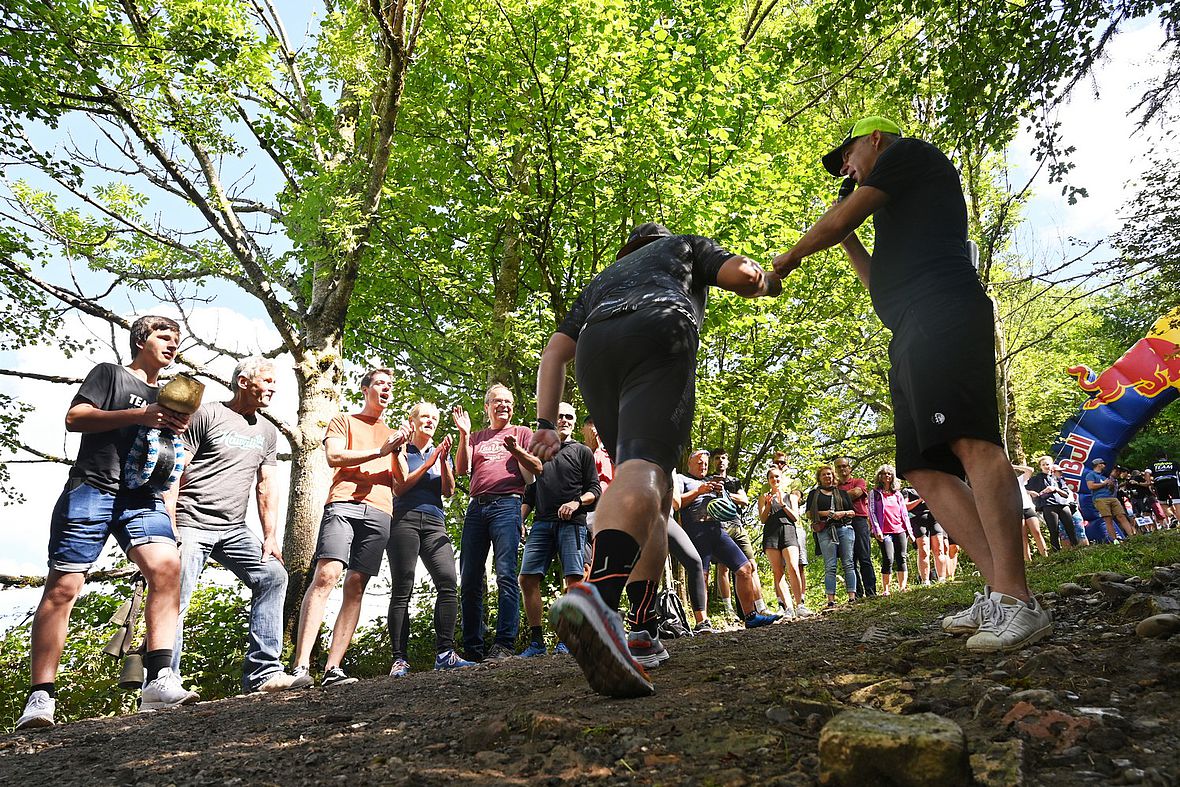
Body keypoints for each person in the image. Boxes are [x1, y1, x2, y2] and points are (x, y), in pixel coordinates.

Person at [774, 115, 1052, 651]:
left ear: (875, 138)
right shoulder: (895, 208)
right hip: (908, 329)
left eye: (848, 156)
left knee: (973, 442)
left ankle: (1019, 599)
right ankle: (998, 591)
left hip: (946, 311)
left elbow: (832, 223)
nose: (847, 171)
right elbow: (880, 285)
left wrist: (786, 261)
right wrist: (851, 238)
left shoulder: (911, 155)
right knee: (922, 469)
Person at [531, 221, 783, 697]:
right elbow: (743, 276)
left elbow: (555, 352)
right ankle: (597, 600)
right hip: (658, 328)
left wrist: (546, 423)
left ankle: (643, 630)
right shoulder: (684, 247)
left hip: (596, 350)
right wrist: (769, 280)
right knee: (645, 470)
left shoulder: (604, 277)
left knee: (652, 487)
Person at [17, 316, 199, 730]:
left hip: (143, 497)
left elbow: (169, 454)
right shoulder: (111, 375)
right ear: (141, 340)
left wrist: (173, 432)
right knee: (64, 586)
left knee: (167, 567)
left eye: (177, 340)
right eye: (163, 337)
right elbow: (75, 417)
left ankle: (158, 679)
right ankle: (41, 696)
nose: (172, 345)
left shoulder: (168, 395)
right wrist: (139, 415)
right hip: (92, 487)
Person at [166, 357, 307, 694]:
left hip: (233, 528)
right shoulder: (208, 414)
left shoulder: (267, 431)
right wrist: (168, 521)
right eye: (268, 380)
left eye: (275, 382)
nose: (274, 387)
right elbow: (175, 466)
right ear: (244, 382)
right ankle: (163, 679)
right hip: (191, 521)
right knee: (175, 598)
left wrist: (271, 535)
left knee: (273, 575)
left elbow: (266, 484)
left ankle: (264, 674)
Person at [292, 368, 411, 687]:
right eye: (380, 384)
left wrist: (398, 449)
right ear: (365, 389)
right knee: (327, 574)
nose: (386, 389)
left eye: (390, 386)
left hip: (381, 511)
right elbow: (333, 456)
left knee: (356, 584)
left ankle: (333, 668)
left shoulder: (391, 432)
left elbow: (400, 482)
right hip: (343, 504)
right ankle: (301, 667)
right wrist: (380, 450)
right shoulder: (344, 420)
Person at [453, 384, 542, 662]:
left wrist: (516, 451)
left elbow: (535, 471)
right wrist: (465, 435)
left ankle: (504, 644)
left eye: (509, 401)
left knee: (505, 574)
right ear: (487, 407)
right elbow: (461, 469)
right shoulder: (477, 436)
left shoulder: (522, 433)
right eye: (498, 401)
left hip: (508, 505)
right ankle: (473, 649)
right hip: (477, 508)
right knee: (469, 579)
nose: (504, 405)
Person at [386, 402, 473, 677]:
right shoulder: (401, 448)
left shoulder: (440, 454)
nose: (430, 421)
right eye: (424, 416)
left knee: (448, 582)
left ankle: (445, 653)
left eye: (434, 418)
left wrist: (443, 461)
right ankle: (399, 659)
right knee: (403, 588)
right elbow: (400, 487)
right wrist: (429, 461)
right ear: (412, 421)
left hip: (435, 522)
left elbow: (448, 491)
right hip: (404, 521)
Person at [517, 402, 601, 658]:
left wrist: (576, 502)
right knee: (527, 578)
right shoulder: (541, 451)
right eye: (559, 416)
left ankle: (568, 639)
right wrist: (520, 520)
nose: (564, 420)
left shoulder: (582, 451)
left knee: (574, 580)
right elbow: (530, 492)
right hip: (542, 522)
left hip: (572, 523)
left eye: (569, 416)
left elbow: (594, 490)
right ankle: (536, 643)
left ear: (574, 422)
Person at [675, 449, 782, 629]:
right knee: (702, 574)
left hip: (718, 530)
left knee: (745, 568)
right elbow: (677, 503)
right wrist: (698, 491)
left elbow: (730, 506)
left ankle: (751, 616)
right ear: (690, 463)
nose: (703, 466)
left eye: (706, 464)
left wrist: (721, 493)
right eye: (699, 463)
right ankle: (702, 622)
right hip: (696, 531)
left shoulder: (712, 481)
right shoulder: (681, 479)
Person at [709, 450, 758, 620]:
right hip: (719, 525)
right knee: (723, 568)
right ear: (712, 462)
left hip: (737, 523)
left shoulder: (734, 481)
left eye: (723, 458)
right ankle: (729, 610)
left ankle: (759, 607)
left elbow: (744, 500)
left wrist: (727, 493)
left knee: (751, 564)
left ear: (728, 462)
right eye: (717, 458)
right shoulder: (709, 480)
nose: (720, 461)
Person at [759, 465, 811, 617]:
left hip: (788, 530)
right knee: (777, 571)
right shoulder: (764, 497)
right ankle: (787, 607)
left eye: (777, 477)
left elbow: (795, 517)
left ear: (781, 479)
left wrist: (783, 504)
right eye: (771, 477)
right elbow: (763, 519)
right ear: (768, 481)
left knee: (793, 568)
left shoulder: (791, 497)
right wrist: (769, 504)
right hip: (771, 533)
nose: (774, 479)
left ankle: (800, 605)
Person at [805, 465, 858, 608]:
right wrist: (826, 513)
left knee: (848, 563)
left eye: (829, 474)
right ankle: (830, 600)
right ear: (819, 478)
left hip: (844, 529)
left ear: (833, 476)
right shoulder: (813, 494)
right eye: (824, 475)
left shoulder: (842, 493)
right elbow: (809, 513)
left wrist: (843, 513)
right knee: (830, 566)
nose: (827, 477)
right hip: (825, 531)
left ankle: (852, 597)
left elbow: (853, 512)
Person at [867, 465, 916, 595]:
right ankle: (886, 589)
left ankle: (902, 587)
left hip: (899, 529)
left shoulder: (898, 494)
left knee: (902, 557)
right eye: (884, 474)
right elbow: (871, 512)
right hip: (884, 531)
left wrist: (909, 532)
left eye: (889, 474)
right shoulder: (874, 493)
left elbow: (904, 514)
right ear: (879, 476)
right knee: (888, 558)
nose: (886, 476)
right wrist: (876, 529)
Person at [835, 458, 877, 598]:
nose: (842, 469)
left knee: (864, 556)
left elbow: (857, 493)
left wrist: (835, 498)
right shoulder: (834, 486)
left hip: (859, 520)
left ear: (850, 468)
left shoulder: (859, 481)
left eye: (844, 466)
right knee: (849, 560)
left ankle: (871, 591)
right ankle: (857, 594)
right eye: (839, 467)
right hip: (842, 523)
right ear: (836, 469)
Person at [1025, 456, 1078, 550]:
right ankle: (1056, 552)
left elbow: (1066, 494)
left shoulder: (1058, 478)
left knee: (1070, 528)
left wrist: (1055, 489)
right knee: (1054, 531)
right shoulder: (1036, 479)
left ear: (1052, 465)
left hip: (1063, 504)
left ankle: (1077, 548)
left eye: (1048, 464)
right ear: (1040, 467)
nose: (1046, 466)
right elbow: (1023, 488)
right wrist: (1031, 493)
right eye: (1043, 465)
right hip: (1048, 506)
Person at [1084, 458, 1137, 542]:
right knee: (1108, 519)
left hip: (1112, 498)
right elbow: (1091, 486)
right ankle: (1114, 540)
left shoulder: (1105, 476)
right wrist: (1104, 483)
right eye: (1103, 464)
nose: (1105, 466)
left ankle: (1132, 537)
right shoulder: (1091, 475)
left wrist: (1111, 486)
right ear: (1099, 464)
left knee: (1121, 516)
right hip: (1100, 499)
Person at [902, 485, 946, 583]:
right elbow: (905, 507)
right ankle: (925, 580)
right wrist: (920, 499)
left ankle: (942, 578)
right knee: (924, 550)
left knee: (939, 548)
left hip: (934, 518)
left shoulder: (930, 486)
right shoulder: (907, 490)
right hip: (918, 520)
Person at [1013, 465, 1049, 560]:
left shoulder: (1019, 479)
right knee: (1023, 536)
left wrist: (1013, 466)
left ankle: (1045, 556)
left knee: (1037, 532)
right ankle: (1028, 560)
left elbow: (1030, 470)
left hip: (1027, 507)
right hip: (1016, 510)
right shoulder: (1002, 484)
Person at [1150, 452, 1179, 525]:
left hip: (1159, 483)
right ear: (1166, 456)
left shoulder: (1153, 464)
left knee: (1162, 503)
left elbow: (1147, 473)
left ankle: (1171, 516)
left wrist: (1149, 483)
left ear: (1157, 458)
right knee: (1177, 503)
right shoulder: (1173, 463)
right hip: (1172, 482)